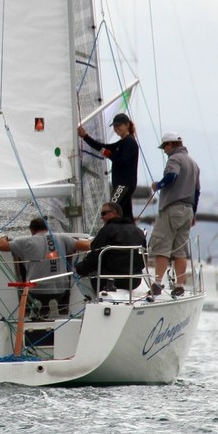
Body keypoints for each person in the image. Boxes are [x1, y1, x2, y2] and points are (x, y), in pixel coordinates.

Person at [0, 217, 89, 318]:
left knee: (31, 292)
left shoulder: (25, 241)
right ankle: (54, 304)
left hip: (35, 291)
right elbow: (87, 246)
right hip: (60, 290)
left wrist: (3, 236)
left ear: (32, 230)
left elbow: (1, 246)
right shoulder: (62, 238)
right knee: (59, 289)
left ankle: (36, 305)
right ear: (47, 228)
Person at [148, 132, 201, 299]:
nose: (164, 151)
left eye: (164, 147)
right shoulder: (194, 163)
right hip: (188, 210)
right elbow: (197, 191)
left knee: (162, 246)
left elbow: (172, 176)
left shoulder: (174, 159)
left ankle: (157, 283)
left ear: (170, 145)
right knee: (180, 250)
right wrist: (194, 213)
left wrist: (158, 185)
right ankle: (179, 285)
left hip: (172, 209)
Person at [75, 202, 147, 296]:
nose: (101, 217)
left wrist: (79, 268)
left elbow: (94, 259)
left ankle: (92, 306)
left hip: (107, 281)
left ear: (114, 213)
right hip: (133, 281)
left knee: (80, 281)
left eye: (104, 213)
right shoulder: (139, 232)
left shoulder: (107, 230)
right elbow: (143, 261)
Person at [78, 113, 139, 221]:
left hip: (124, 185)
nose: (116, 128)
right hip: (123, 185)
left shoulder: (129, 142)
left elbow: (124, 162)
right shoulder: (123, 142)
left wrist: (109, 155)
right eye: (115, 126)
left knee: (111, 210)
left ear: (127, 125)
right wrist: (85, 137)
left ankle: (112, 234)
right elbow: (103, 147)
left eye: (119, 125)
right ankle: (130, 234)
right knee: (125, 213)